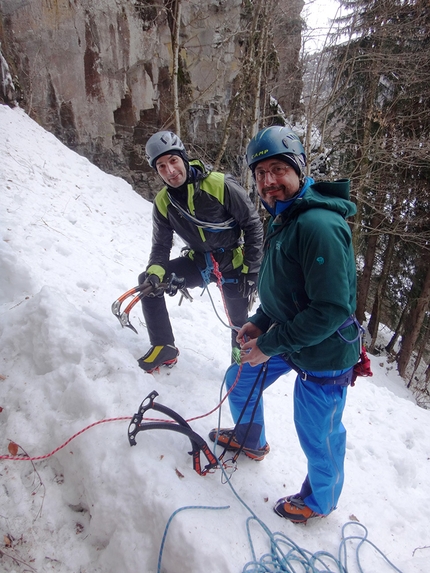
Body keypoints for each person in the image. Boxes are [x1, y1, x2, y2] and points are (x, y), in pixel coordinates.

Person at [209, 125, 361, 524]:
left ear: (299, 169)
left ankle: (320, 501)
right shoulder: (287, 216)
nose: (268, 181)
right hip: (292, 336)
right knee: (240, 377)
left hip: (324, 352)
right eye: (260, 174)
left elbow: (329, 309)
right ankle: (250, 439)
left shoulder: (318, 227)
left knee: (318, 434)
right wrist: (261, 322)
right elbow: (290, 289)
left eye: (277, 169)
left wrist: (270, 344)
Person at [137, 130, 264, 373]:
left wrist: (252, 270)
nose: (170, 171)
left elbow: (252, 225)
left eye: (173, 161)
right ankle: (164, 346)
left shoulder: (219, 185)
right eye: (161, 166)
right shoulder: (164, 202)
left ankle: (241, 370)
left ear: (184, 158)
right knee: (147, 282)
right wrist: (156, 273)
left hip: (233, 263)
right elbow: (161, 246)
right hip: (199, 262)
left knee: (239, 325)